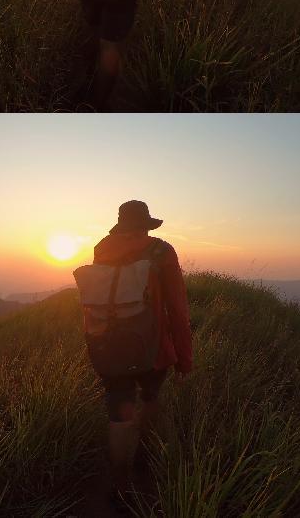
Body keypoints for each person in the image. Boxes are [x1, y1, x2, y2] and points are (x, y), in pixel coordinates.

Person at [89, 200, 192, 506]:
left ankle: (120, 485)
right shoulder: (161, 252)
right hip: (153, 348)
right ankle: (144, 459)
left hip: (110, 346)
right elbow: (177, 308)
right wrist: (185, 359)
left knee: (118, 411)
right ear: (147, 224)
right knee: (150, 398)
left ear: (121, 224)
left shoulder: (103, 248)